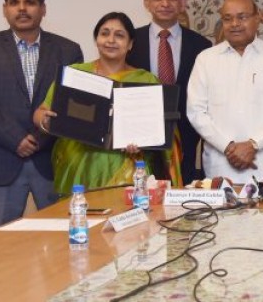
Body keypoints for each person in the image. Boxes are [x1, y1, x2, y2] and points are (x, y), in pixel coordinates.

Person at [34, 12, 181, 195]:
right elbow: (41, 111)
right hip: (78, 163)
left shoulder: (146, 79)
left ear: (130, 44)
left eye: (119, 35)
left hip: (128, 166)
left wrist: (144, 142)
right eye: (105, 33)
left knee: (128, 218)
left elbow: (163, 129)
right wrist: (45, 121)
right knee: (82, 218)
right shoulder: (75, 74)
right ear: (96, 40)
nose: (111, 40)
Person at [0, 0, 83, 226]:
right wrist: (15, 139)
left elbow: (71, 106)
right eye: (14, 3)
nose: (22, 9)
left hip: (52, 159)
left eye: (29, 2)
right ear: (5, 9)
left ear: (43, 9)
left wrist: (40, 137)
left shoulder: (68, 50)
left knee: (63, 237)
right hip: (2, 161)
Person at [187, 0, 263, 183]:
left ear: (257, 18)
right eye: (227, 19)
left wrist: (253, 145)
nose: (234, 24)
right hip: (220, 168)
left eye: (242, 17)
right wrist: (228, 147)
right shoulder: (206, 59)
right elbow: (196, 112)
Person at [127, 0, 212, 185]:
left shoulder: (201, 45)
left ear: (182, 2)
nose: (165, 3)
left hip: (186, 133)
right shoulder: (130, 41)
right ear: (146, 3)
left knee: (182, 192)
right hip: (140, 134)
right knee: (142, 191)